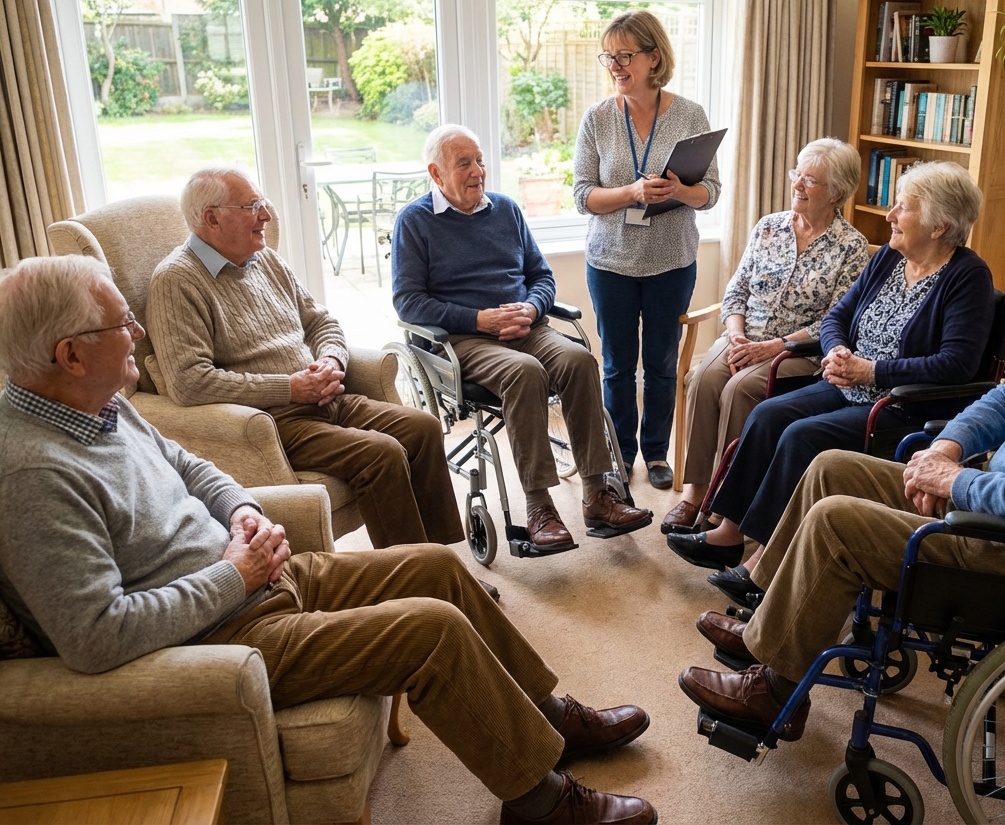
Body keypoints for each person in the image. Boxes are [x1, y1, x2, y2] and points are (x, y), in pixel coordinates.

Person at [0, 255, 656, 825]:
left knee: (436, 568)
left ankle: (548, 716)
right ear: (71, 353)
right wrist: (235, 574)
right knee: (431, 629)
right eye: (122, 324)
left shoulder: (96, 405)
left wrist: (241, 510)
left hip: (255, 579)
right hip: (219, 630)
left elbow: (189, 467)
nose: (139, 336)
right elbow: (95, 636)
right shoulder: (33, 473)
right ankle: (538, 802)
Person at [677, 189, 1005, 743]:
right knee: (832, 465)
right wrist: (945, 450)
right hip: (1000, 508)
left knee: (837, 522)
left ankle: (774, 692)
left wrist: (960, 484)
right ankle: (769, 626)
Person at [666, 161, 994, 597]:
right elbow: (838, 315)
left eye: (902, 208)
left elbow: (956, 364)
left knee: (802, 435)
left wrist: (872, 369)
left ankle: (765, 562)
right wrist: (839, 349)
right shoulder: (889, 260)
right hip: (848, 385)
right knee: (766, 415)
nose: (890, 216)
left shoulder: (966, 277)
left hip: (899, 406)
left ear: (939, 226)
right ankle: (729, 532)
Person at [145, 167, 460, 553]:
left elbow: (321, 320)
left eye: (263, 204)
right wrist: (290, 388)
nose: (266, 216)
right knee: (382, 454)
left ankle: (446, 560)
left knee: (423, 427)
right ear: (212, 218)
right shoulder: (177, 281)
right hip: (278, 420)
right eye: (252, 206)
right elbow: (189, 381)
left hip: (327, 398)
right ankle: (416, 578)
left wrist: (330, 360)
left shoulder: (267, 261)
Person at [393, 124, 653, 554]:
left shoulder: (507, 210)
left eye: (480, 161)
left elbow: (541, 277)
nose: (478, 171)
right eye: (464, 164)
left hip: (527, 327)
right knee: (526, 373)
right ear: (436, 174)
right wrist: (481, 320)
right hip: (464, 341)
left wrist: (532, 309)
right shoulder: (415, 222)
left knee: (579, 361)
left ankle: (597, 494)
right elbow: (409, 303)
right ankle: (538, 507)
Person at [662, 139, 869, 534]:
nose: (798, 185)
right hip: (744, 336)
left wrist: (775, 346)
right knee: (705, 380)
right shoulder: (769, 226)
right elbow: (736, 291)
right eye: (797, 174)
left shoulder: (851, 247)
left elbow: (837, 318)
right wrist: (736, 335)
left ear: (837, 193)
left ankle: (724, 505)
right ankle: (695, 492)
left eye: (811, 180)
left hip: (797, 350)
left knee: (739, 390)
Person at [574, 9, 722, 490]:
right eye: (609, 57)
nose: (615, 65)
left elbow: (711, 193)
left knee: (660, 365)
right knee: (617, 366)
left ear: (653, 56)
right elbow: (583, 197)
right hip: (610, 264)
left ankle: (657, 454)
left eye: (625, 55)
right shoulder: (597, 119)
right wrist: (631, 193)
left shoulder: (689, 115)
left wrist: (679, 191)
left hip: (671, 262)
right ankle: (620, 455)